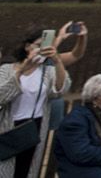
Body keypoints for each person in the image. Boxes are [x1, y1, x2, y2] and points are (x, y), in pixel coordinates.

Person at [1, 26, 74, 178]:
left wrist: (57, 61)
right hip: (8, 127)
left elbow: (60, 90)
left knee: (27, 169)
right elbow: (2, 95)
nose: (43, 49)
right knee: (5, 169)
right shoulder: (6, 69)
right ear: (28, 46)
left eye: (47, 45)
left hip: (35, 125)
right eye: (39, 45)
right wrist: (22, 70)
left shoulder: (47, 72)